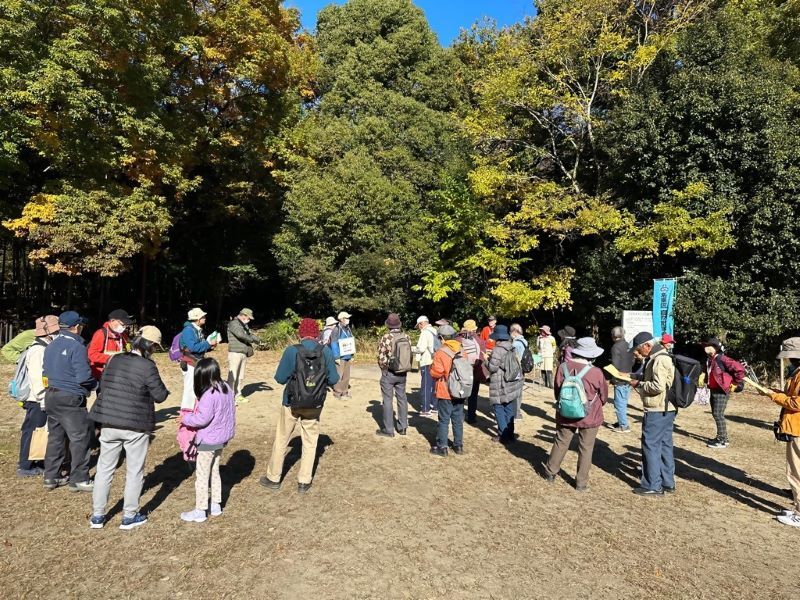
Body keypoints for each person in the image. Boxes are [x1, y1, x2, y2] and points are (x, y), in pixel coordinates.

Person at [89, 326, 169, 530]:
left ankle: (97, 516)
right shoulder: (147, 366)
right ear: (150, 345)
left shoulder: (114, 359)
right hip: (136, 424)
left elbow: (103, 386)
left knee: (104, 469)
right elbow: (160, 395)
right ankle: (129, 516)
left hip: (109, 421)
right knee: (134, 471)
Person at [260, 318, 339, 492]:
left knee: (282, 438)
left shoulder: (291, 351)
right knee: (311, 442)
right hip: (315, 403)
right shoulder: (325, 352)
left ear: (300, 333)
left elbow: (280, 378)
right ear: (317, 333)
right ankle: (304, 481)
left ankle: (274, 478)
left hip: (291, 401)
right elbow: (334, 379)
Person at [42, 311, 97, 492]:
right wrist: (95, 385)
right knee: (80, 438)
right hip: (70, 397)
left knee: (56, 438)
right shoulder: (77, 347)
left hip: (51, 395)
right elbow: (83, 377)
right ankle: (79, 478)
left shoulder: (51, 345)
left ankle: (51, 476)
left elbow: (45, 370)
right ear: (76, 326)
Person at [543, 337, 608, 491]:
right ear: (592, 355)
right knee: (586, 447)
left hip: (565, 412)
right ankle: (581, 483)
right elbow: (604, 395)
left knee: (561, 441)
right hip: (590, 415)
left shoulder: (562, 367)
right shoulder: (596, 372)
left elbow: (557, 390)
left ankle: (550, 472)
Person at [180, 358, 236, 522]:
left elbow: (201, 419)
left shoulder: (208, 395)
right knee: (215, 471)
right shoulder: (226, 387)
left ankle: (200, 509)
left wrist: (185, 418)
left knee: (202, 475)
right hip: (222, 438)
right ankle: (216, 505)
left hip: (208, 441)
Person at [629, 332, 675, 496]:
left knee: (651, 445)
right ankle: (666, 481)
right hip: (666, 408)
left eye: (638, 350)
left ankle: (652, 485)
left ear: (647, 346)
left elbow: (658, 386)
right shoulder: (659, 357)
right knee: (664, 445)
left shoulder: (659, 359)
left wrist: (638, 384)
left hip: (658, 408)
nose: (637, 354)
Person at [17, 315, 59, 477]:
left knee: (38, 430)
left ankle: (35, 460)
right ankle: (25, 465)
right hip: (37, 399)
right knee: (32, 431)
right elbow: (37, 379)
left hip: (41, 398)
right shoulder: (37, 351)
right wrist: (43, 399)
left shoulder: (44, 348)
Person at [768, 338, 800, 527]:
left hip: (798, 429)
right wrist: (774, 392)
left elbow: (797, 403)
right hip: (795, 427)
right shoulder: (796, 374)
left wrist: (776, 396)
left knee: (796, 472)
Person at [702, 336, 745, 449]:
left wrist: (735, 383)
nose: (706, 347)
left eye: (708, 346)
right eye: (705, 345)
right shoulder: (710, 359)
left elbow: (739, 369)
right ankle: (720, 437)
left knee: (718, 414)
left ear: (715, 348)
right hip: (714, 389)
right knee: (716, 413)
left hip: (721, 391)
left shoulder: (722, 359)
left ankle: (723, 440)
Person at [429, 325, 464, 456]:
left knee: (443, 420)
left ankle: (442, 447)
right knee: (457, 419)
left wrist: (431, 369)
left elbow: (436, 372)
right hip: (460, 390)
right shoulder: (462, 350)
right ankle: (458, 445)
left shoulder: (440, 352)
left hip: (446, 390)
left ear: (442, 338)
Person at [487, 324, 524, 444]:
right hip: (511, 382)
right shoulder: (511, 346)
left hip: (500, 382)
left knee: (498, 408)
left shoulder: (497, 350)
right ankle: (510, 434)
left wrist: (486, 359)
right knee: (508, 408)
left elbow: (492, 368)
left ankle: (503, 435)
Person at [376, 313, 409, 438]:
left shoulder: (386, 337)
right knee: (402, 398)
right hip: (403, 372)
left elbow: (381, 357)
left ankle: (389, 430)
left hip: (389, 373)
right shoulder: (406, 336)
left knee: (387, 400)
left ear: (388, 325)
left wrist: (384, 369)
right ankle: (403, 427)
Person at [179, 308, 218, 411]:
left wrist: (209, 346)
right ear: (197, 319)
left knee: (197, 387)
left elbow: (199, 346)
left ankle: (194, 411)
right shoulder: (188, 330)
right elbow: (193, 347)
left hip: (196, 362)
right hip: (190, 362)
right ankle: (185, 414)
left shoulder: (196, 329)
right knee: (190, 389)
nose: (205, 318)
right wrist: (208, 343)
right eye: (203, 317)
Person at [87, 309, 134, 382]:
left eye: (126, 325)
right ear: (112, 321)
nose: (124, 327)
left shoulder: (122, 335)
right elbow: (92, 355)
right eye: (122, 324)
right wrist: (113, 358)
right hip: (102, 375)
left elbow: (128, 348)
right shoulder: (100, 334)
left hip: (118, 373)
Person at [227, 308, 259, 404]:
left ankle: (238, 395)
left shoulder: (244, 325)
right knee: (233, 376)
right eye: (248, 318)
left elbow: (249, 334)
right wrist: (252, 339)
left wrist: (258, 339)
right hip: (235, 353)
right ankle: (229, 398)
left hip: (243, 352)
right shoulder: (234, 323)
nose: (249, 320)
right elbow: (240, 335)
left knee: (240, 376)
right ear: (243, 315)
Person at [457, 320, 485, 424]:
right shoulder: (478, 340)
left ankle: (459, 416)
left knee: (461, 393)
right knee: (473, 395)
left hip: (462, 371)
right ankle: (471, 416)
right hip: (475, 371)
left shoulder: (458, 338)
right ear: (474, 329)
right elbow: (482, 355)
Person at [608, 326, 635, 434]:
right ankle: (620, 422)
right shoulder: (628, 344)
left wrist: (613, 378)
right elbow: (633, 361)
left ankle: (624, 426)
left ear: (613, 336)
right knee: (623, 401)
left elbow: (615, 364)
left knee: (619, 403)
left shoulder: (615, 347)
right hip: (628, 376)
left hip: (620, 378)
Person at [413, 315, 438, 416]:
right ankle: (435, 407)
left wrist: (412, 348)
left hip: (427, 362)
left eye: (418, 325)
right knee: (434, 385)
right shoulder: (435, 331)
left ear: (422, 323)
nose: (418, 328)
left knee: (426, 386)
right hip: (436, 361)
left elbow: (421, 349)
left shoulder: (425, 333)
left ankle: (425, 409)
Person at [330, 311, 355, 399]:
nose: (348, 320)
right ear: (341, 319)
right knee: (339, 375)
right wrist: (336, 357)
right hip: (340, 357)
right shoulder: (336, 329)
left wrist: (352, 355)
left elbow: (350, 341)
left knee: (346, 376)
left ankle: (345, 392)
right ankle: (337, 393)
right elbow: (333, 343)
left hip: (348, 355)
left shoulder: (348, 328)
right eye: (346, 318)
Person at [510, 324, 528, 420]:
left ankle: (515, 413)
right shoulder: (524, 341)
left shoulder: (516, 344)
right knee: (519, 392)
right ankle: (518, 412)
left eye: (511, 331)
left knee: (515, 392)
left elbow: (513, 358)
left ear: (515, 331)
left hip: (516, 369)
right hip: (522, 370)